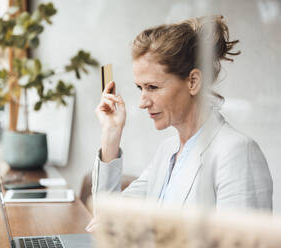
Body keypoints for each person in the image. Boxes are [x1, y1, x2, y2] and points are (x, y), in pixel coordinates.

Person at [90, 15, 273, 223]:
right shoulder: (167, 152)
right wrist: (111, 134)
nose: (142, 102)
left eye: (153, 87)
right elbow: (106, 220)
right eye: (140, 88)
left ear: (193, 82)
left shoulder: (237, 153)